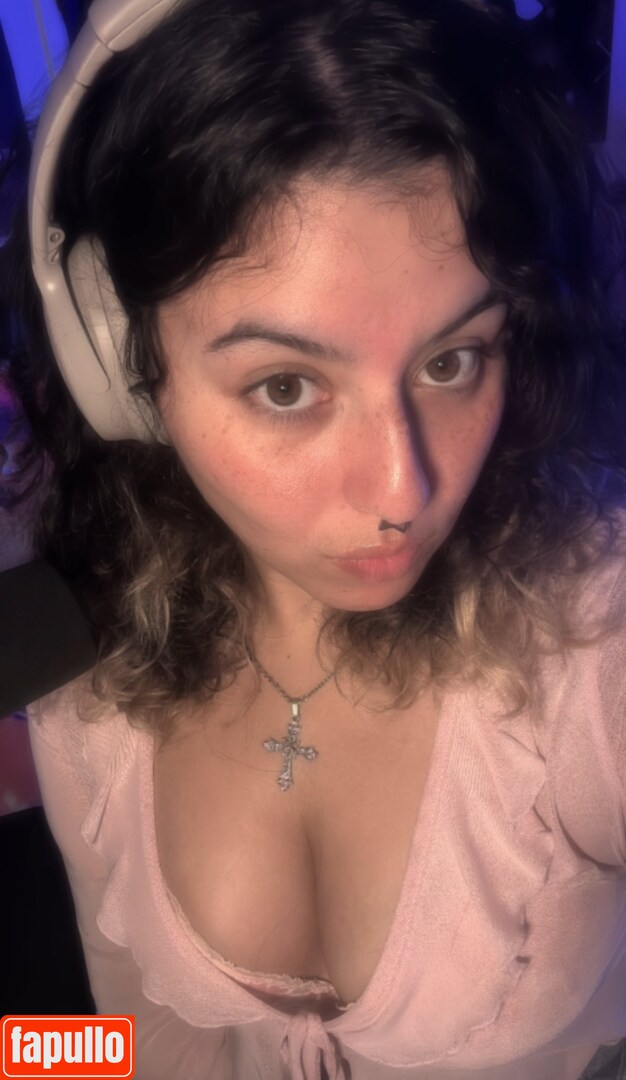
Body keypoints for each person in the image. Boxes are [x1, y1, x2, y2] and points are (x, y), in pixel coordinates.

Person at [6, 0, 626, 1075]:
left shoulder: (591, 640)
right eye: (287, 386)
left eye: (450, 362)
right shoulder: (92, 671)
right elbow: (127, 1024)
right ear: (124, 369)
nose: (402, 489)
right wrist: (39, 1063)